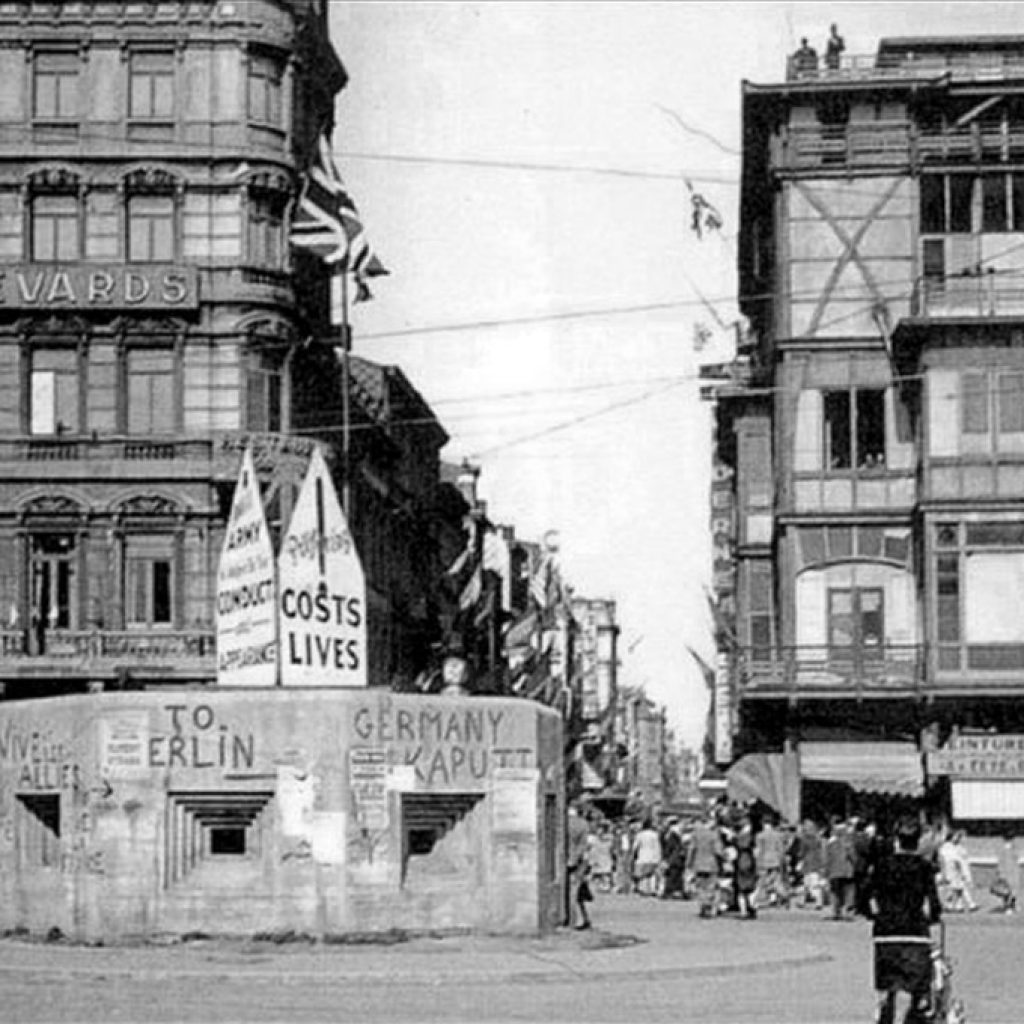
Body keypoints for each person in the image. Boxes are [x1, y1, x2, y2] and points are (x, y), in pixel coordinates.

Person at [867, 819, 942, 1024]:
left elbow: (863, 896)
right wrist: (933, 917)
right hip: (914, 932)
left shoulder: (882, 866)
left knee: (886, 982)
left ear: (897, 840)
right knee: (911, 985)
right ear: (917, 842)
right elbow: (935, 903)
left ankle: (883, 1011)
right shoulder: (924, 867)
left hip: (885, 932)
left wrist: (873, 915)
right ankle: (901, 1019)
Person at [688, 811, 724, 918]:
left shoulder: (696, 834)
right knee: (711, 887)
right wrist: (724, 857)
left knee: (700, 887)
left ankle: (703, 905)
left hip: (698, 863)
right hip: (712, 864)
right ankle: (710, 906)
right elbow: (718, 851)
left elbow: (691, 849)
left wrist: (689, 863)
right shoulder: (714, 835)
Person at [566, 801, 593, 930]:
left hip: (563, 860)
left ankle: (571, 920)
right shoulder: (582, 824)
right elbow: (583, 845)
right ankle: (579, 918)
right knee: (576, 891)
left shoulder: (561, 822)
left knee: (572, 892)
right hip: (578, 861)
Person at [825, 817, 856, 920]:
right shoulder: (847, 843)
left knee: (835, 891)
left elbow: (826, 858)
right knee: (848, 891)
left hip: (834, 871)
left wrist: (826, 870)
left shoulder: (830, 843)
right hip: (846, 870)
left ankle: (836, 911)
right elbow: (852, 856)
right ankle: (847, 911)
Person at [938, 830, 977, 912]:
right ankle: (968, 904)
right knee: (957, 887)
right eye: (955, 836)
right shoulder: (947, 847)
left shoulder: (956, 847)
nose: (957, 838)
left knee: (957, 887)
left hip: (955, 868)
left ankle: (957, 906)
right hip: (951, 868)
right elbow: (948, 859)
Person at [755, 816, 789, 909]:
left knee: (763, 881)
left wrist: (757, 862)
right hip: (776, 860)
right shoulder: (778, 835)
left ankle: (758, 900)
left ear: (763, 824)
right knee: (776, 880)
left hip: (764, 860)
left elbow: (759, 850)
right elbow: (781, 849)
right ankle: (784, 896)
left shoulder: (760, 835)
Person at [734, 819, 758, 919]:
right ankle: (752, 906)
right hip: (750, 862)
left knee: (741, 889)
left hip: (741, 862)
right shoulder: (752, 837)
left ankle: (744, 911)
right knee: (751, 888)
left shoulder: (738, 837)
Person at [632, 818, 662, 896]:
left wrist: (634, 854)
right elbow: (658, 846)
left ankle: (643, 889)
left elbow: (635, 846)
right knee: (652, 874)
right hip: (653, 857)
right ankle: (652, 890)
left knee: (642, 875)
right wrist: (659, 857)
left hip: (642, 856)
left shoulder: (640, 835)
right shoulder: (655, 834)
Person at [991, 833, 1019, 913]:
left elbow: (1015, 860)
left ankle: (1012, 905)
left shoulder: (1013, 849)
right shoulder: (1004, 850)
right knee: (1006, 891)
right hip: (1007, 873)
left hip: (1013, 872)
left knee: (1013, 890)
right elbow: (1001, 863)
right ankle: (1008, 907)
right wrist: (1000, 873)